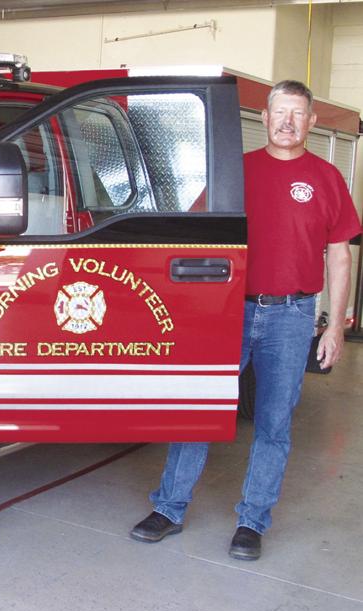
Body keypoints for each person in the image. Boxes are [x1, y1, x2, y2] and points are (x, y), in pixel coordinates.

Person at [129, 80, 361, 560]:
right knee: (199, 415)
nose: (288, 122)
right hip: (227, 313)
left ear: (312, 122)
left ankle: (252, 522)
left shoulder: (327, 177)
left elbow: (340, 256)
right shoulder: (235, 172)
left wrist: (335, 324)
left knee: (275, 422)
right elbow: (194, 240)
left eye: (298, 114)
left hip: (292, 316)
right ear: (265, 116)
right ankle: (169, 508)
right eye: (280, 112)